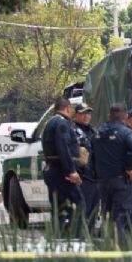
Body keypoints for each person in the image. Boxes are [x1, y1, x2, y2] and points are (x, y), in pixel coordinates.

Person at [93, 103, 132, 245]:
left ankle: (107, 244)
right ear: (126, 116)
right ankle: (120, 247)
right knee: (121, 215)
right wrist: (131, 168)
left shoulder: (98, 132)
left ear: (109, 115)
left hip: (103, 181)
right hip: (121, 181)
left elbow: (92, 154)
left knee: (106, 214)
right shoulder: (126, 132)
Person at [41, 97, 85, 235]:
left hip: (53, 169)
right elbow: (63, 147)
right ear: (67, 108)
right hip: (61, 172)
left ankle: (58, 236)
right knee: (79, 203)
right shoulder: (62, 123)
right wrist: (71, 171)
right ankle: (74, 235)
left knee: (59, 208)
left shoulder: (50, 122)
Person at [73, 103, 100, 232]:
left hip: (95, 177)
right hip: (82, 177)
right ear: (76, 115)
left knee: (93, 213)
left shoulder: (93, 131)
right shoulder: (72, 131)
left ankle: (89, 239)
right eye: (83, 113)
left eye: (88, 113)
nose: (86, 116)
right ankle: (79, 240)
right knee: (83, 212)